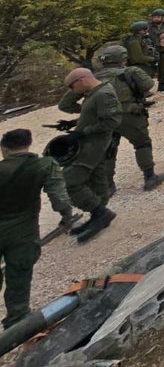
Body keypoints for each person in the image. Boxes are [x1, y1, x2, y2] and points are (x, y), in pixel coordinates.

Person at [0, 128, 77, 328]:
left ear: (4, 149)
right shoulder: (44, 165)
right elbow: (59, 197)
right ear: (28, 144)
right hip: (23, 231)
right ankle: (17, 319)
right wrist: (66, 216)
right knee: (19, 272)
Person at [62, 47, 164, 192]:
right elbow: (148, 85)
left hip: (104, 119)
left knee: (109, 150)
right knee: (142, 144)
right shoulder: (131, 71)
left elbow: (65, 104)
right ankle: (149, 177)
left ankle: (108, 185)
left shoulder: (91, 77)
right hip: (130, 116)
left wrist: (91, 110)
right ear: (123, 58)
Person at [56, 68, 122, 243]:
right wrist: (73, 124)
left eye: (72, 87)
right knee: (96, 178)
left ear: (82, 81)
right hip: (91, 143)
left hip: (93, 145)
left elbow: (112, 121)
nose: (71, 91)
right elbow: (91, 114)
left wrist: (83, 132)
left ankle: (100, 212)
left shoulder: (103, 94)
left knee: (69, 181)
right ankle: (98, 216)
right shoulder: (93, 93)